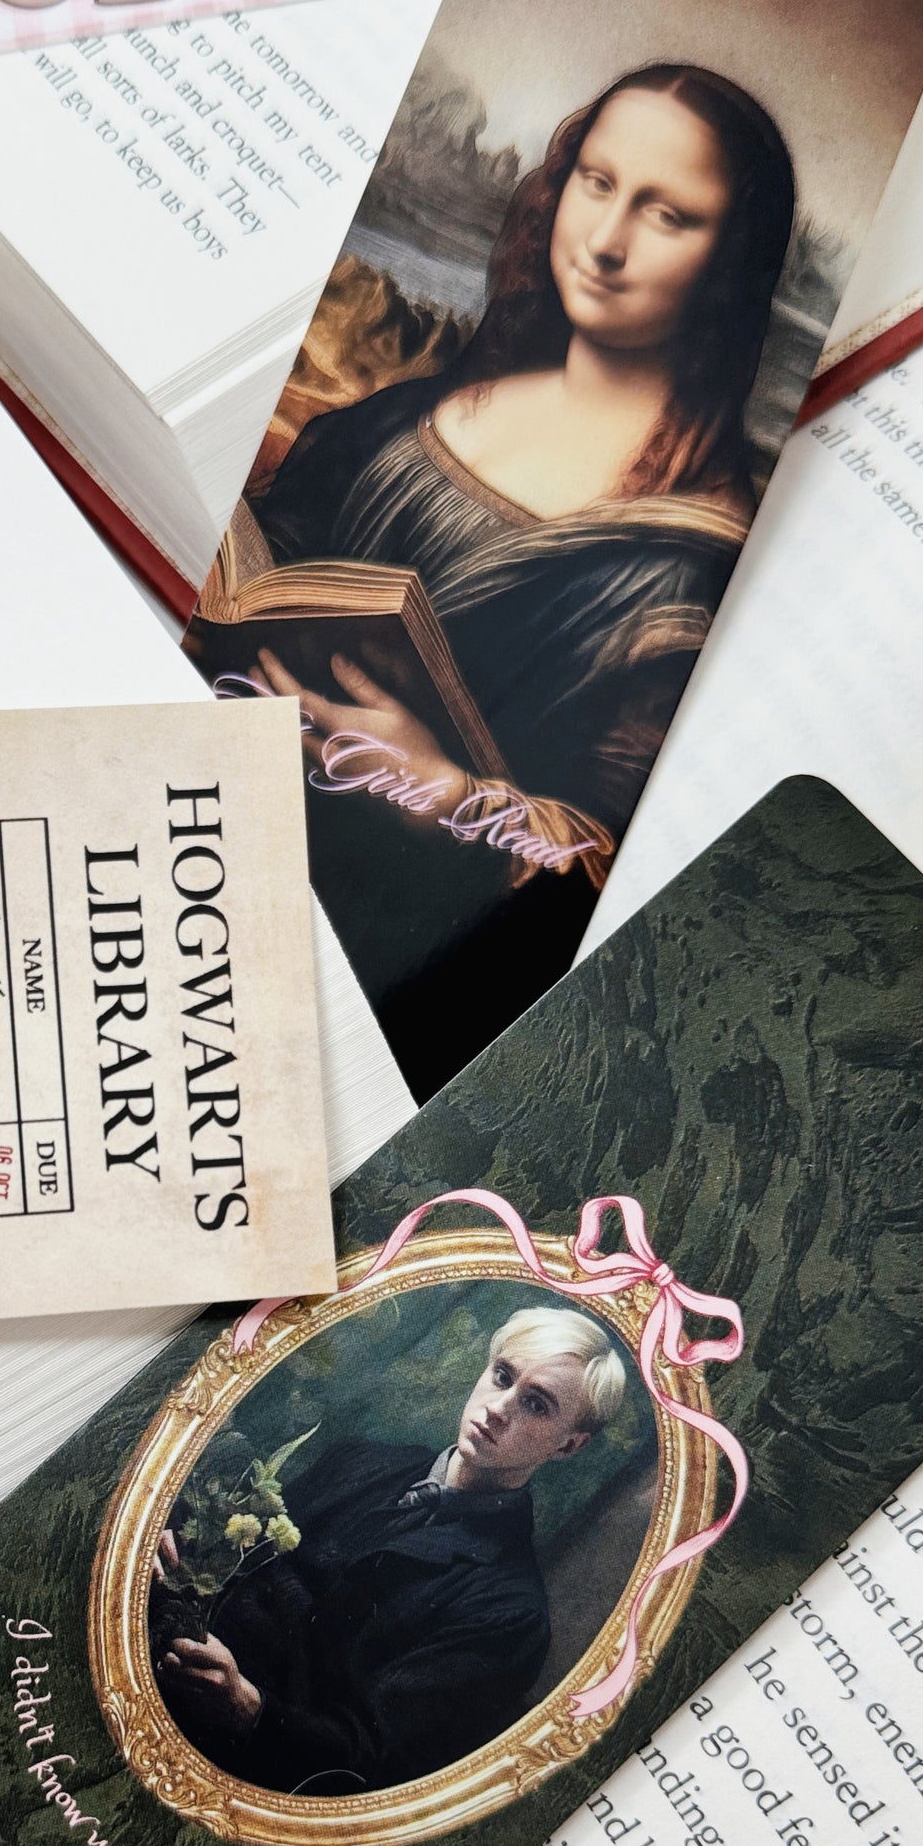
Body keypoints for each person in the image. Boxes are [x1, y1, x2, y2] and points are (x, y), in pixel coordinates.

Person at [241, 63, 796, 1084]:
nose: (606, 240)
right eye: (597, 182)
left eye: (666, 214)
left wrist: (448, 794)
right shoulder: (437, 402)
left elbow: (605, 868)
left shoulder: (684, 572)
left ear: (731, 259)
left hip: (377, 978)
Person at [155, 1305, 631, 1795]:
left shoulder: (511, 1614)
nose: (499, 1408)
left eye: (536, 1404)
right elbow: (243, 1550)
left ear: (569, 1446)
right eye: (503, 1376)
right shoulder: (360, 1459)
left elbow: (372, 1762)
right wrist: (184, 1550)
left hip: (236, 1772)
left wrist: (249, 1710)